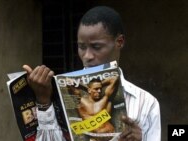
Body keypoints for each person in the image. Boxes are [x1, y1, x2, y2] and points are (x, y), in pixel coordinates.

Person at [23, 6, 161, 141]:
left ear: (119, 42)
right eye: (82, 47)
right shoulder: (61, 94)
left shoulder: (147, 103)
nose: (87, 56)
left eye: (96, 47)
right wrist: (43, 101)